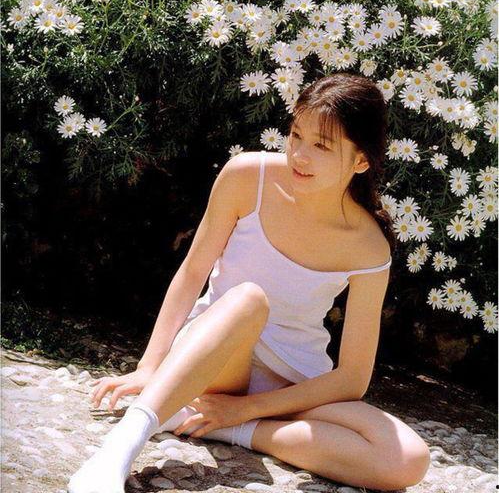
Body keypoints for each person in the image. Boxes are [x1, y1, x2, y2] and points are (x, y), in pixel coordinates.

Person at [67, 73, 430, 493]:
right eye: (296, 135)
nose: (299, 155)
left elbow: (352, 378)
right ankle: (118, 450)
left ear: (361, 161)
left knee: (407, 459)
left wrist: (246, 411)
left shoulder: (369, 247)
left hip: (289, 387)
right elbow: (192, 272)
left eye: (321, 146)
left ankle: (224, 426)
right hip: (216, 358)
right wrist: (150, 366)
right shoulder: (247, 176)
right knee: (247, 299)